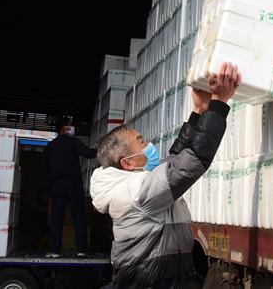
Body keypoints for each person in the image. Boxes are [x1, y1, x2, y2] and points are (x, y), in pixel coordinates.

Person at [89, 63, 241, 289]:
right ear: (128, 163)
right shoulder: (135, 192)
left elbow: (174, 160)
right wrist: (219, 104)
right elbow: (191, 161)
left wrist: (199, 112)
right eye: (141, 142)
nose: (149, 145)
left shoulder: (130, 186)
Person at [44, 117, 97, 258]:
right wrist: (103, 149)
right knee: (78, 216)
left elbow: (46, 167)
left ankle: (55, 250)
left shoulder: (51, 146)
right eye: (69, 126)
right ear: (64, 128)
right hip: (73, 183)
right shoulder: (73, 142)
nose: (71, 128)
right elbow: (89, 154)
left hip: (57, 184)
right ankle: (82, 250)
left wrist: (51, 183)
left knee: (57, 217)